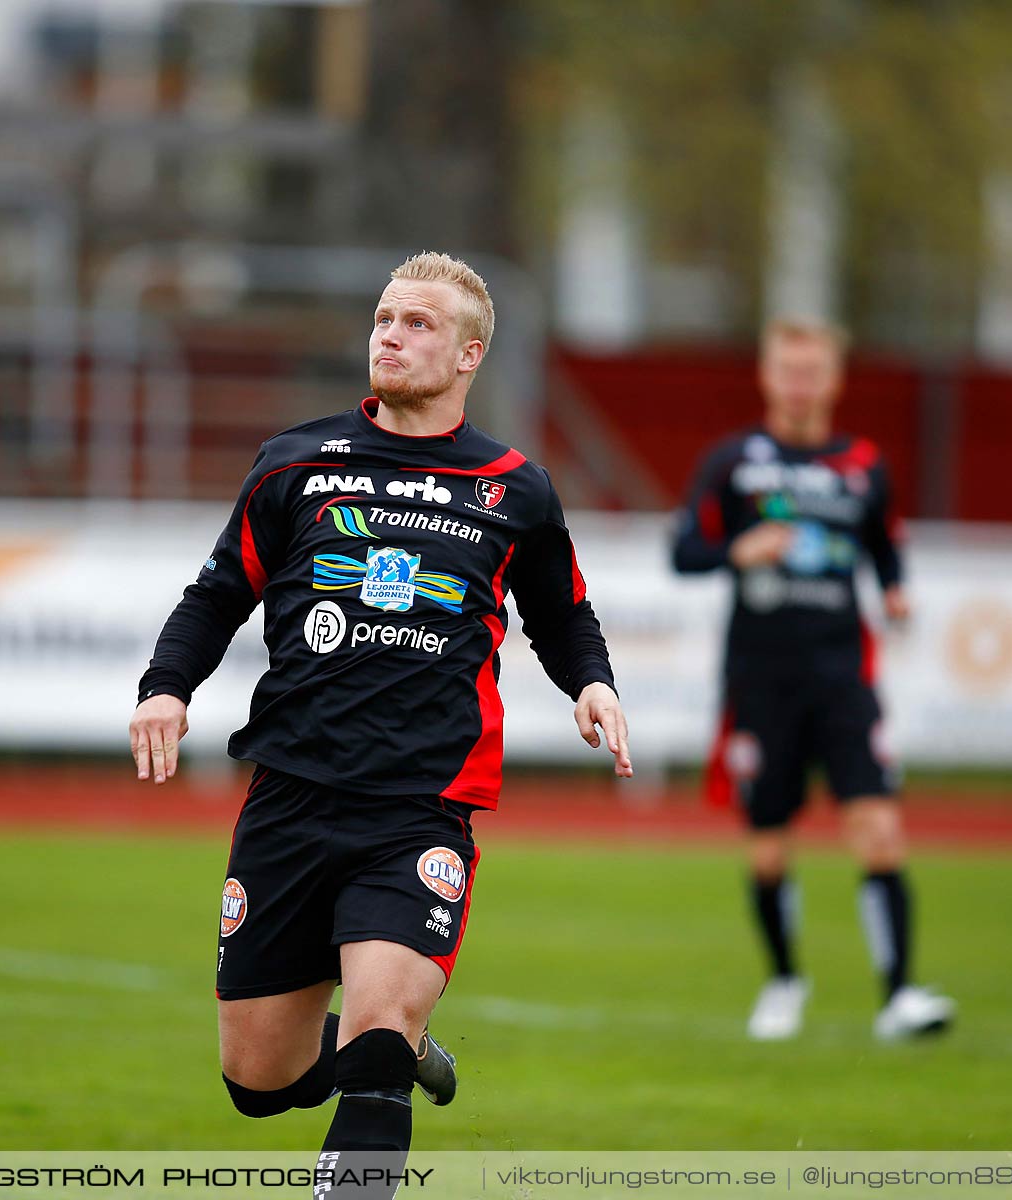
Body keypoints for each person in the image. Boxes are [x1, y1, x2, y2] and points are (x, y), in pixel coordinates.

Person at [130, 252, 631, 1187]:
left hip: (420, 804)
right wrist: (167, 685)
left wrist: (590, 682)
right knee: (256, 1075)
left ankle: (389, 1046)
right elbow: (216, 594)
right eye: (383, 319)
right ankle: (397, 1049)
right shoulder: (295, 460)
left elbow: (561, 613)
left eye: (418, 324)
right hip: (290, 793)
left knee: (378, 1032)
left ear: (470, 353)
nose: (391, 336)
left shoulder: (514, 487)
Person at [670, 318, 954, 1043]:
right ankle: (785, 980)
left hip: (843, 680)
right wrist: (741, 548)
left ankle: (899, 995)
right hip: (760, 683)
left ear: (834, 380)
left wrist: (894, 592)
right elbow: (685, 550)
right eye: (787, 370)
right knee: (768, 842)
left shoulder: (863, 464)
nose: (799, 384)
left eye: (812, 371)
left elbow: (886, 549)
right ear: (767, 377)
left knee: (880, 828)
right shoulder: (733, 463)